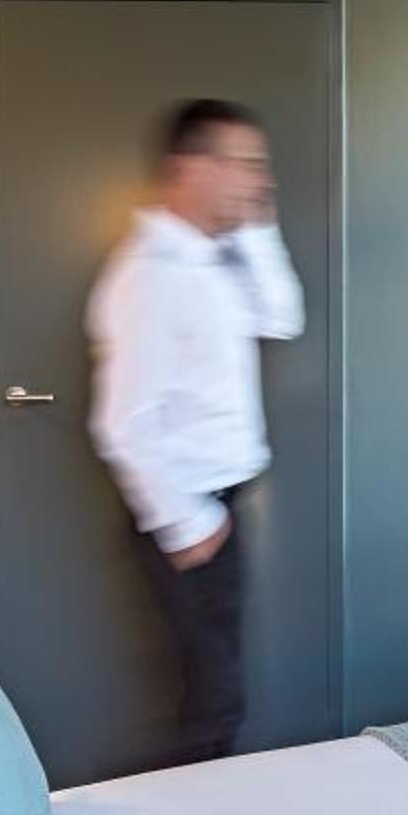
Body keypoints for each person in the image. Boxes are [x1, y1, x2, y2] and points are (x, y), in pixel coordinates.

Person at [86, 99, 304, 766]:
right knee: (213, 704)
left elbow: (282, 317)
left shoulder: (218, 258)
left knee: (217, 695)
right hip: (191, 518)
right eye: (243, 164)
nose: (258, 180)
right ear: (189, 168)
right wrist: (188, 524)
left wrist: (257, 229)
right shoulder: (150, 275)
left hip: (218, 507)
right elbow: (122, 421)